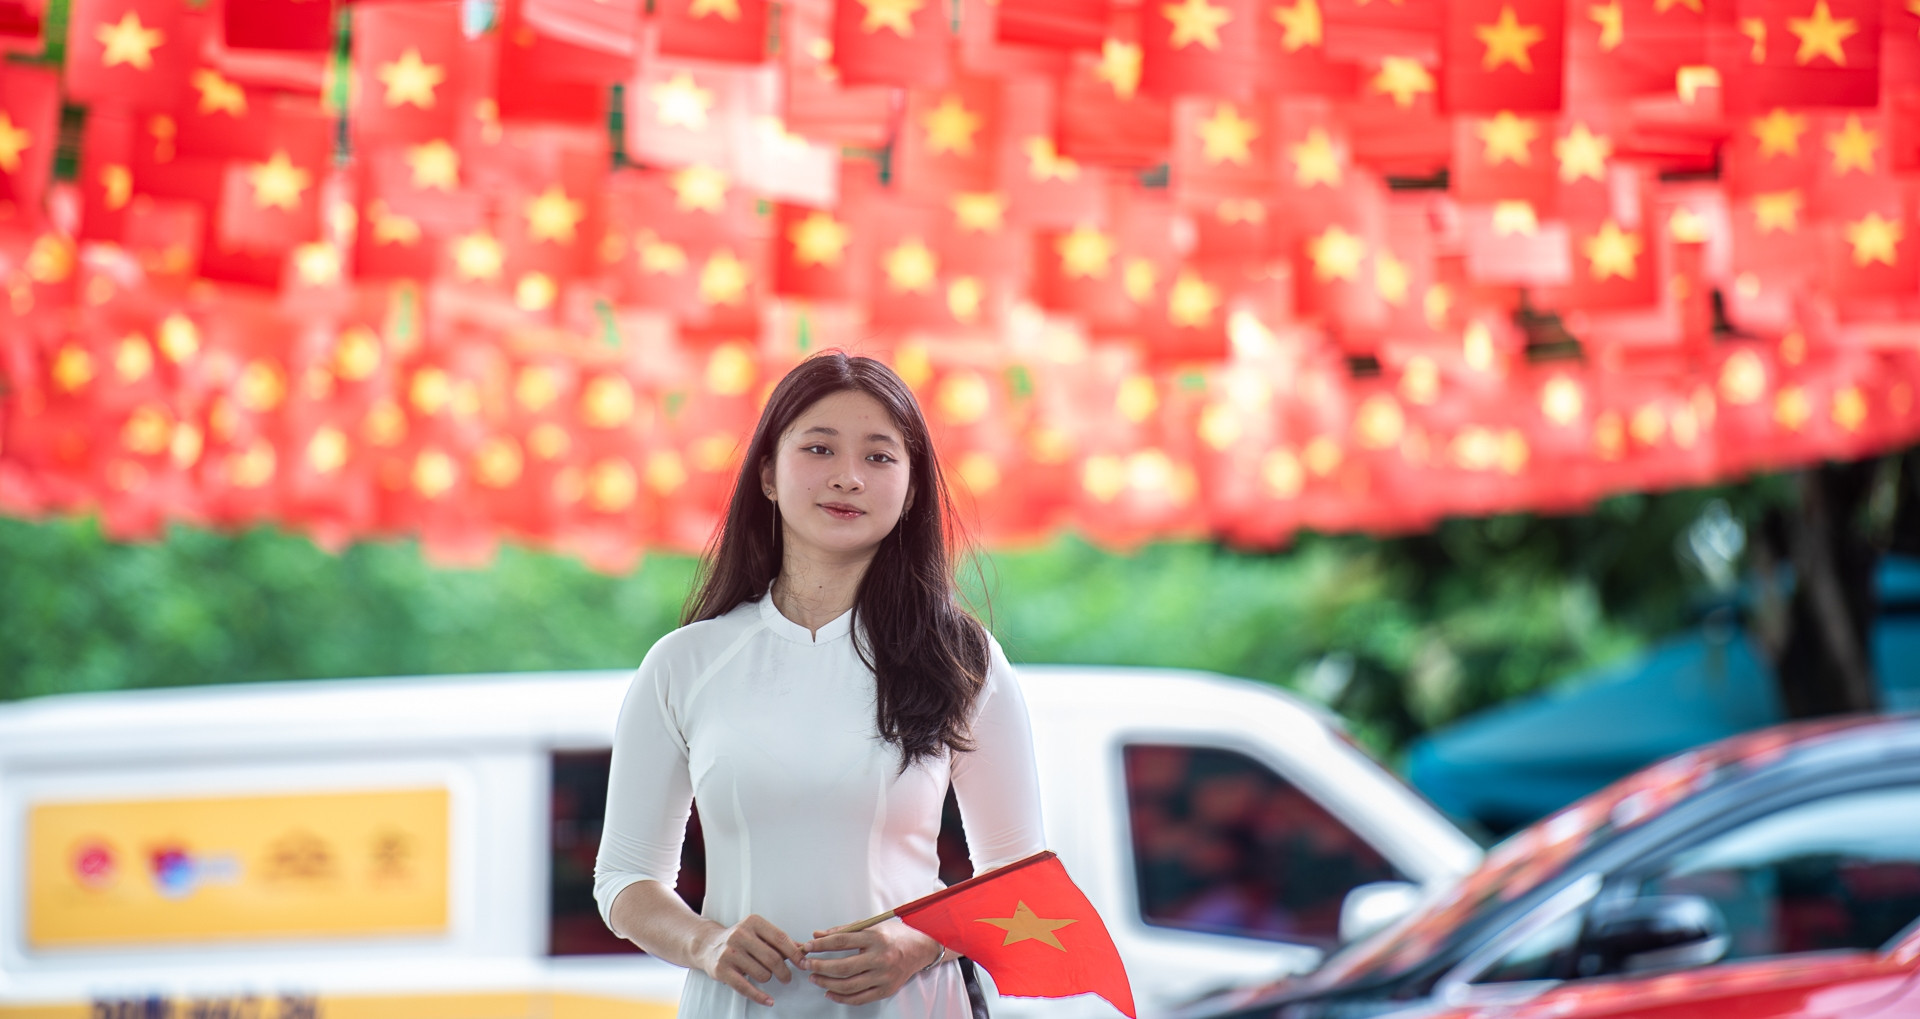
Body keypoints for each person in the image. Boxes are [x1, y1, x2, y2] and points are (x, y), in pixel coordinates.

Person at [593, 351, 1046, 1019]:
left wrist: (920, 942)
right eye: (819, 447)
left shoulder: (961, 657)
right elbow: (624, 880)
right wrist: (706, 942)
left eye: (880, 457)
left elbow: (1022, 881)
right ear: (769, 475)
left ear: (913, 488)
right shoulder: (685, 663)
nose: (847, 477)